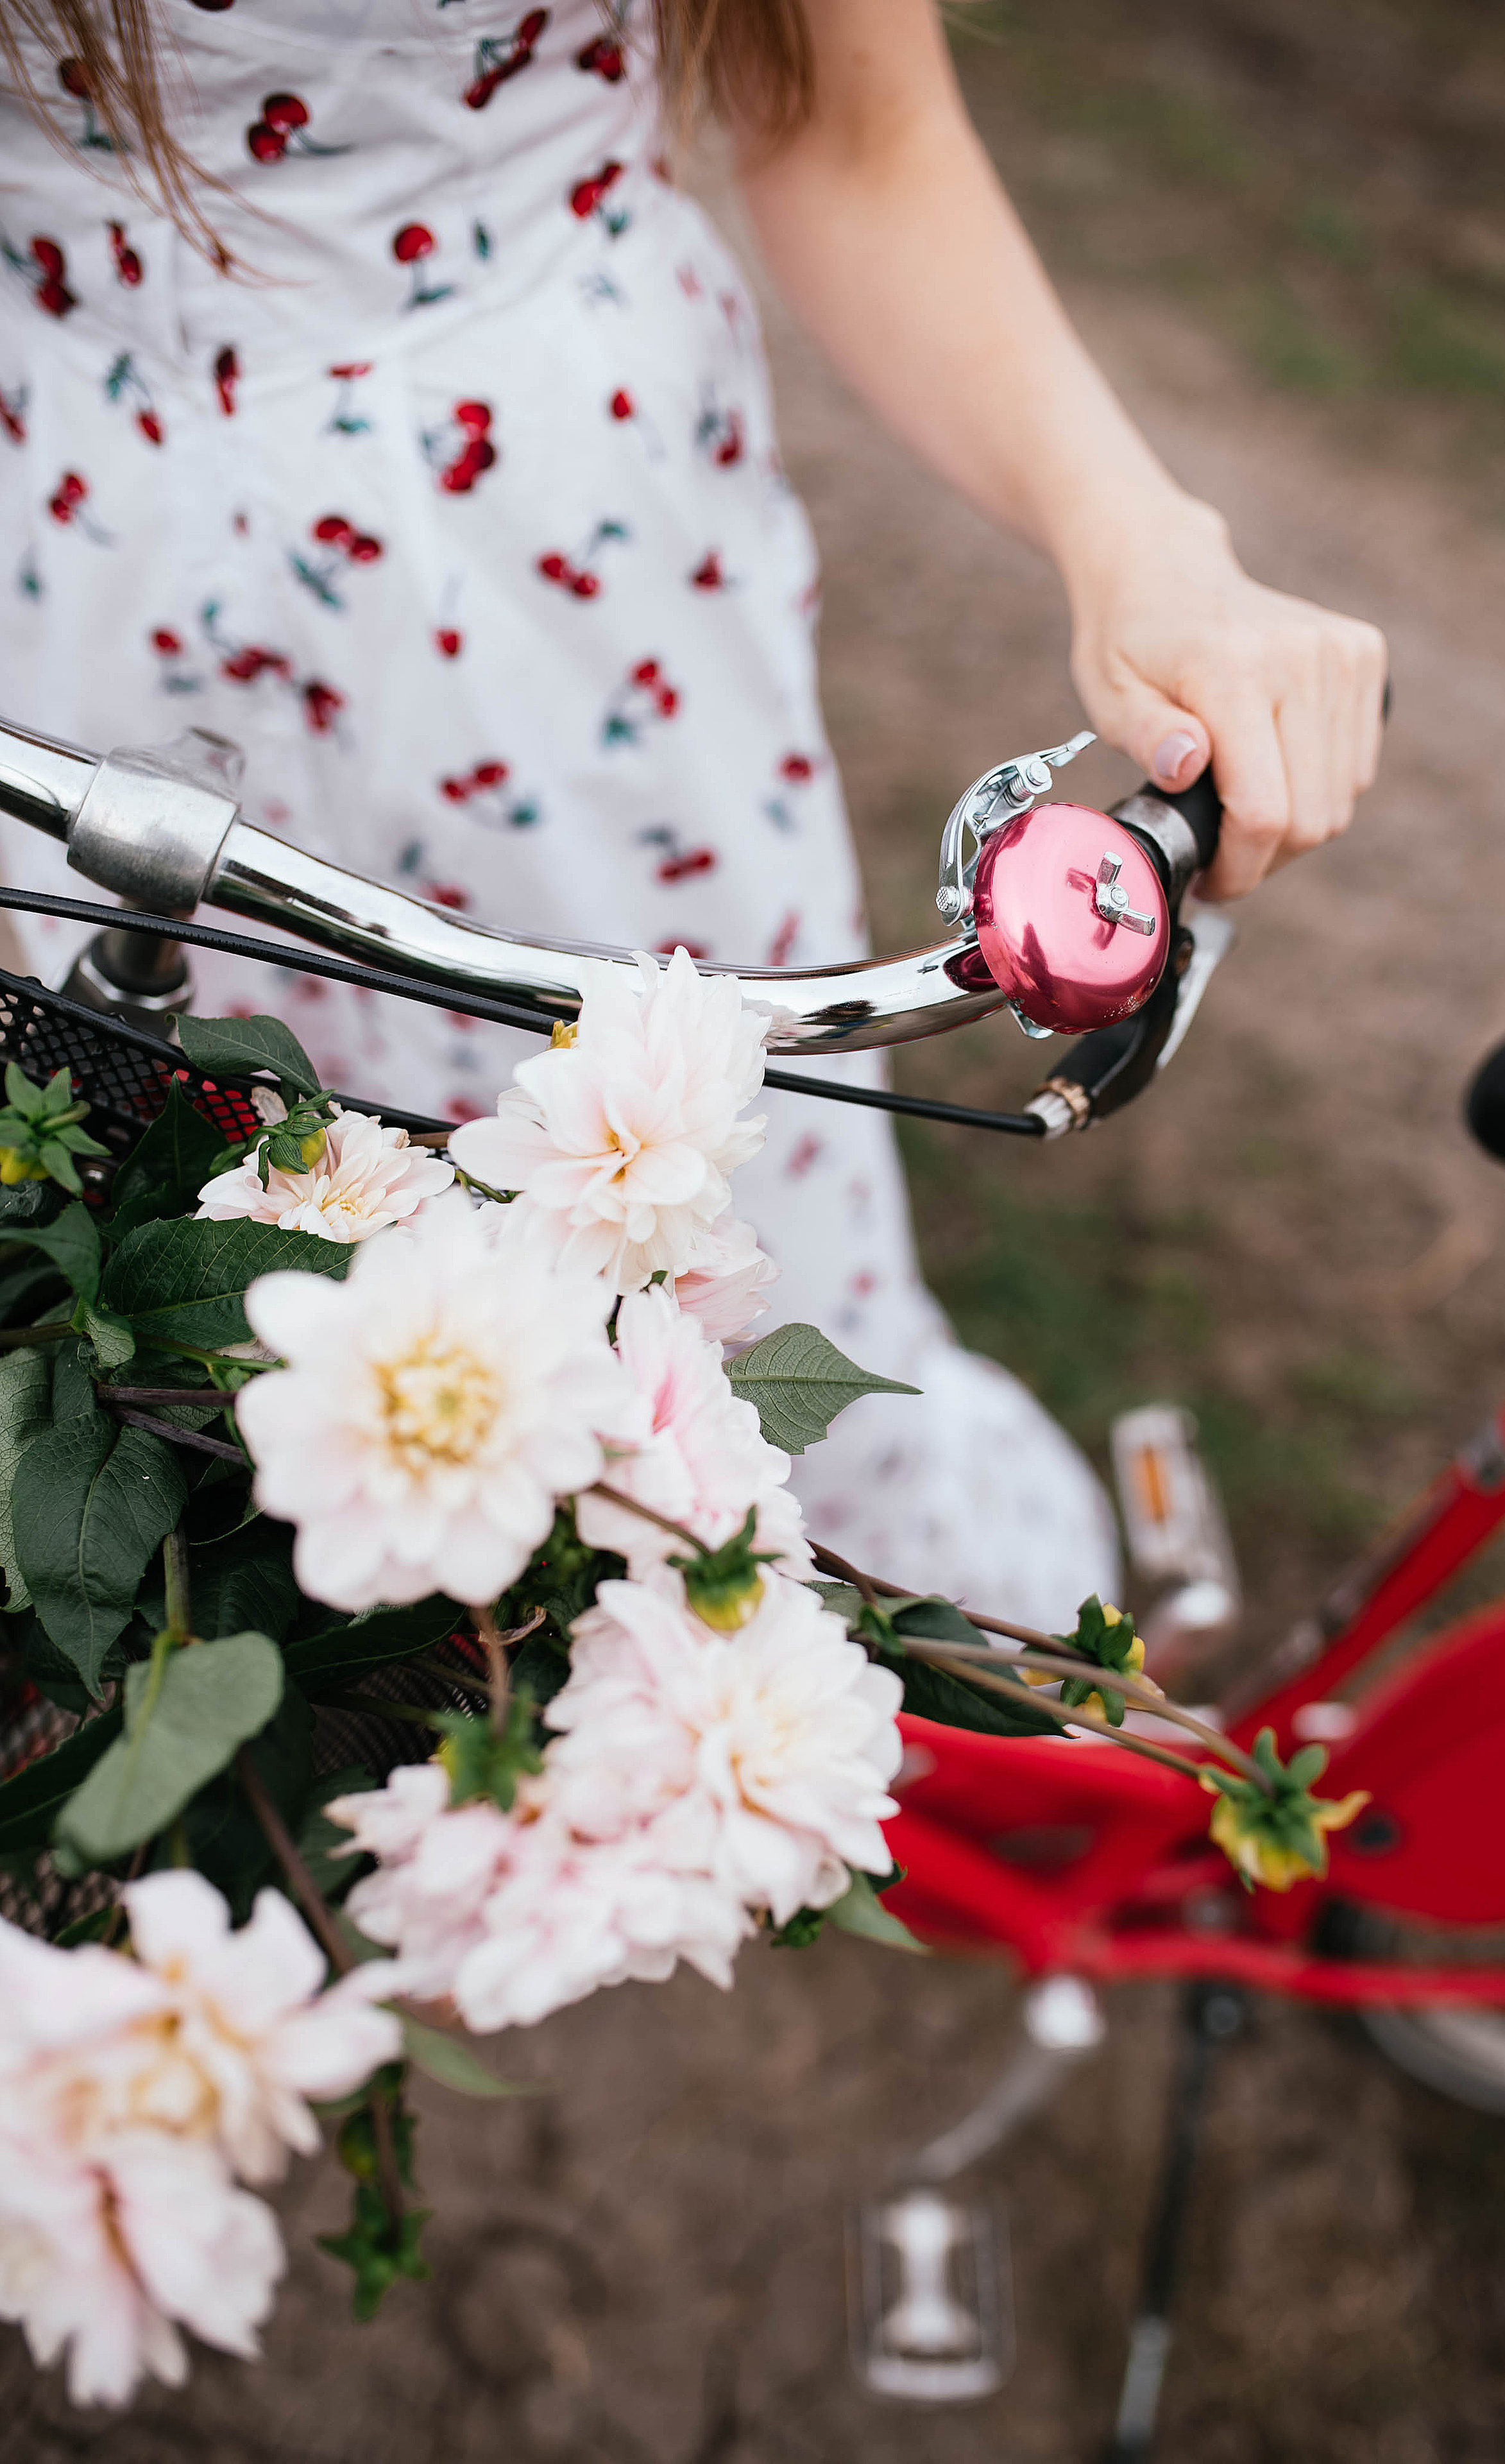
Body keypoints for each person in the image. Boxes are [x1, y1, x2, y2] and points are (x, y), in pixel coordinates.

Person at [0, 0, 1384, 1623]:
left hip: (553, 578)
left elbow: (848, 129)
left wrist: (1143, 539)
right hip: (71, 560)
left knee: (704, 1264)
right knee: (151, 1303)